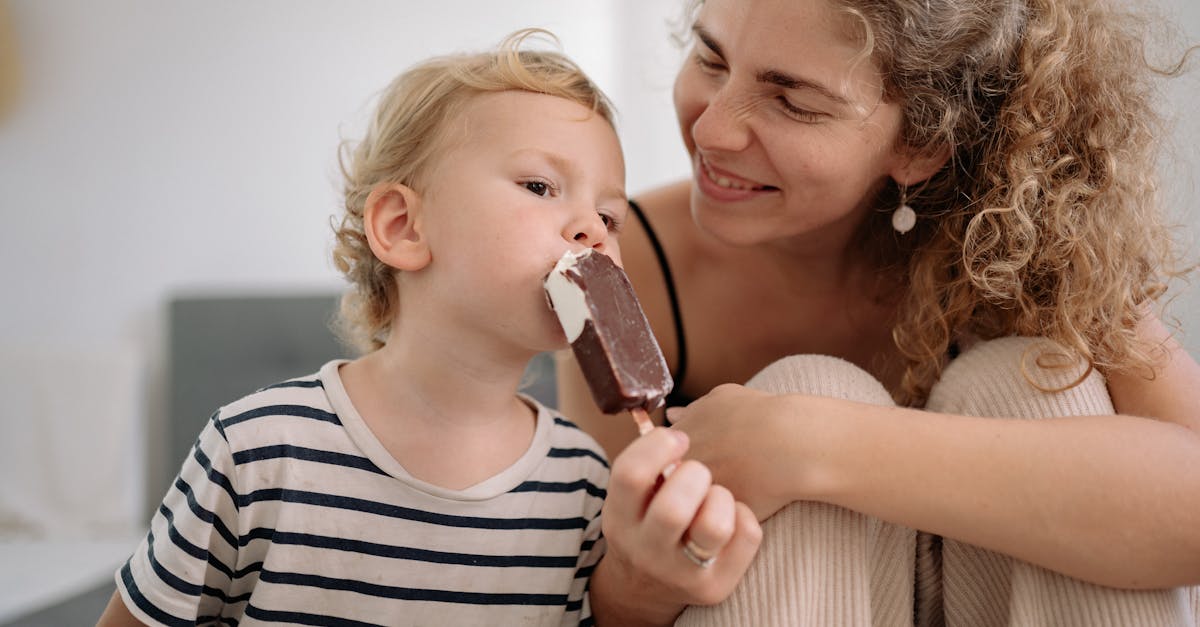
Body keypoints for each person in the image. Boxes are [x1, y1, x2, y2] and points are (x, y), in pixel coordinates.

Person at [556, 0, 1200, 624]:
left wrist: (806, 441)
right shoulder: (622, 259)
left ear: (921, 143)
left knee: (1032, 379)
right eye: (711, 58)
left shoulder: (1034, 250)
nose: (709, 129)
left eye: (793, 101)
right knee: (811, 383)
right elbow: (600, 601)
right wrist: (640, 584)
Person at [96, 29, 762, 627]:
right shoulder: (256, 450)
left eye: (610, 217)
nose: (591, 228)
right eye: (539, 185)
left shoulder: (584, 482)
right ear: (403, 227)